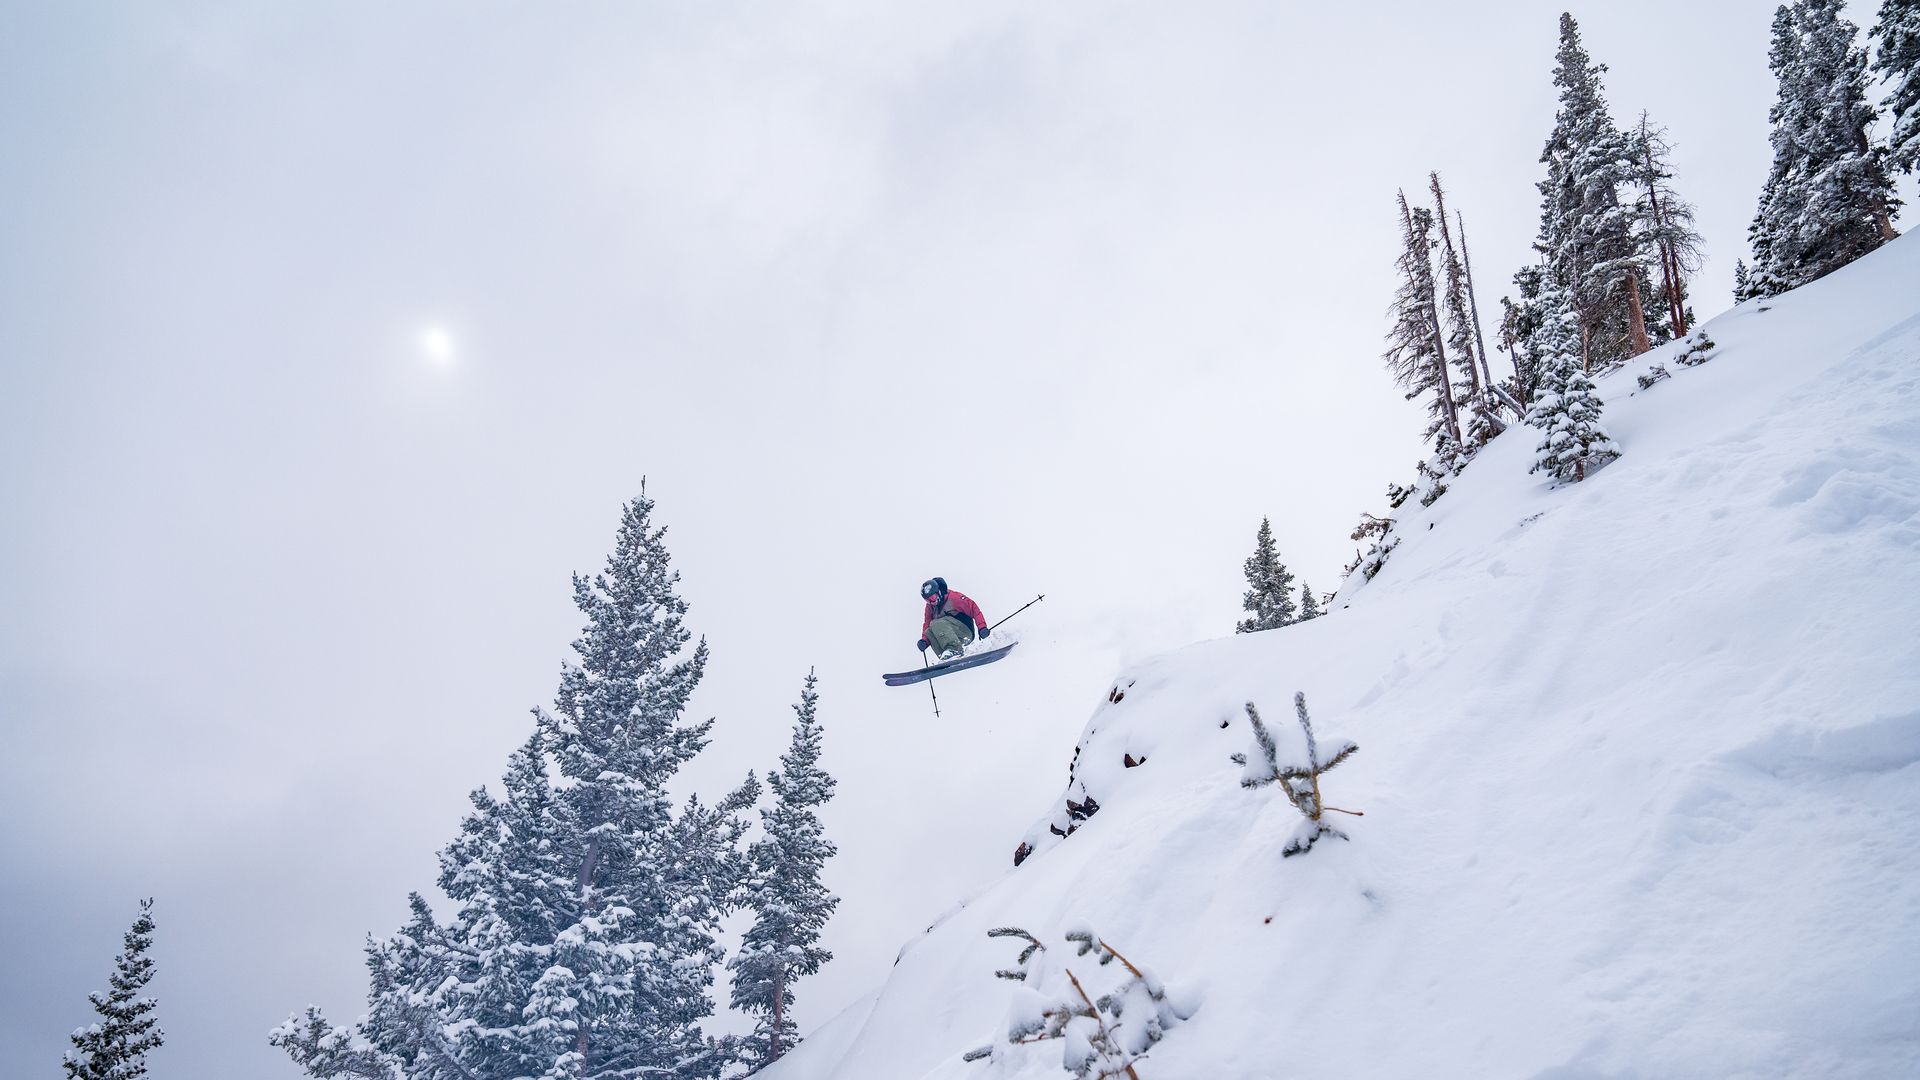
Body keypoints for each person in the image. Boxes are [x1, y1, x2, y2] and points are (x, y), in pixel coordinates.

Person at [917, 577, 989, 661]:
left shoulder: (953, 598)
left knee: (935, 623)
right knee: (928, 631)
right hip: (950, 635)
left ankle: (955, 650)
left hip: (965, 631)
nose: (931, 602)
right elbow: (927, 624)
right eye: (928, 600)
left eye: (932, 597)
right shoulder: (930, 607)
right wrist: (924, 641)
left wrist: (982, 627)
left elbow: (973, 608)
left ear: (938, 591)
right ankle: (946, 657)